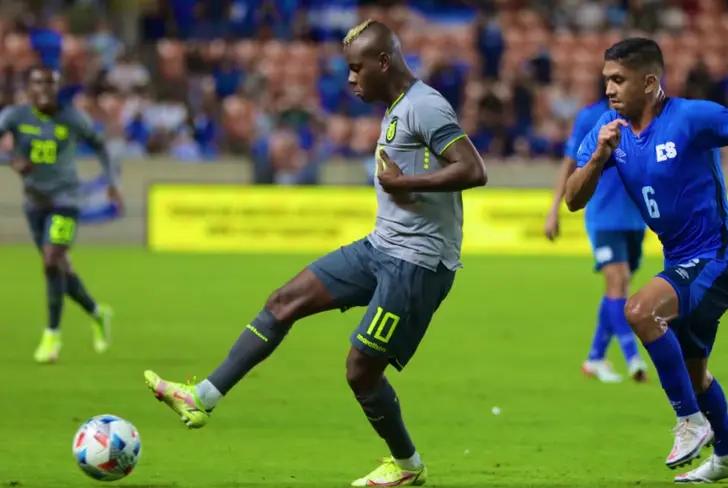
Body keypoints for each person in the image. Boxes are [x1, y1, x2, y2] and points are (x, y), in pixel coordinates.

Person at [144, 19, 486, 487]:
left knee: (360, 370)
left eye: (356, 69)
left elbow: (473, 168)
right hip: (380, 246)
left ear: (383, 62)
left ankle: (407, 466)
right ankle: (202, 396)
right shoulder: (398, 106)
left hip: (416, 264)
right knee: (283, 301)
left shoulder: (425, 107)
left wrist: (403, 183)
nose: (350, 79)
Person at [565, 38, 728, 482]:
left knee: (639, 309)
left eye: (619, 80)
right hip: (680, 257)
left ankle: (689, 422)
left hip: (717, 253)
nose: (610, 90)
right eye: (606, 81)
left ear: (651, 82)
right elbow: (573, 200)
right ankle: (726, 455)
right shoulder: (609, 129)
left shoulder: (692, 118)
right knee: (695, 374)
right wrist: (598, 156)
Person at [0, 66, 123, 363]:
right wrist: (10, 160)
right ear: (29, 88)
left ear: (58, 88)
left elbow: (100, 146)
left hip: (67, 199)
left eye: (50, 84)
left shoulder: (72, 118)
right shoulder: (15, 117)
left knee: (51, 259)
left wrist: (111, 181)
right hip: (34, 203)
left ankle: (51, 337)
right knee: (59, 269)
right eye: (38, 83)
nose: (44, 89)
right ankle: (97, 312)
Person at [545, 92, 647, 383]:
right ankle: (633, 359)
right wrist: (554, 210)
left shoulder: (647, 119)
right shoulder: (593, 117)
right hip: (602, 214)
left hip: (635, 218)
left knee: (620, 286)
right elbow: (569, 164)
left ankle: (595, 358)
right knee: (617, 280)